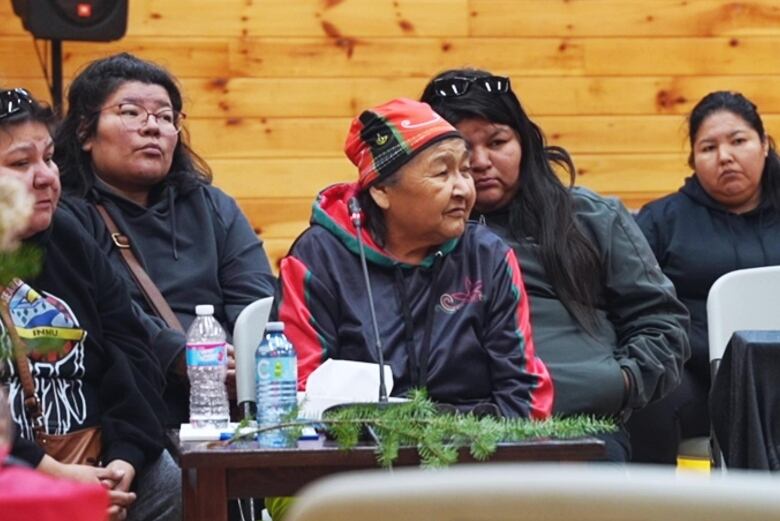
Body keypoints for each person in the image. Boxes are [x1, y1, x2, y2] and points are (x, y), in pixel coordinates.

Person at [421, 69, 690, 462]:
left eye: (498, 141)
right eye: (461, 148)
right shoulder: (412, 235)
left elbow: (661, 322)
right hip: (452, 432)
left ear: (524, 143)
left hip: (581, 424)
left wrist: (622, 382)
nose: (480, 162)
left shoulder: (592, 217)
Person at [279, 97, 553, 419]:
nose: (463, 189)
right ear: (381, 190)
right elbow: (297, 391)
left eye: (464, 171)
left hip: (475, 452)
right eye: (441, 173)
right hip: (356, 452)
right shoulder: (320, 258)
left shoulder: (487, 257)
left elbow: (524, 392)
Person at [53, 53, 277, 425]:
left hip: (230, 400)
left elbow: (255, 295)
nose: (152, 127)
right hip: (129, 409)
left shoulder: (212, 206)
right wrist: (183, 356)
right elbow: (107, 312)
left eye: (165, 116)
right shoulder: (67, 216)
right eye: (130, 112)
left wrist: (247, 359)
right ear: (84, 131)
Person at [0, 88, 180, 520]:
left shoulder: (68, 235)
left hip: (95, 455)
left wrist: (125, 458)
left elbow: (130, 349)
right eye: (21, 164)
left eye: (49, 157)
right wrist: (51, 473)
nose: (46, 176)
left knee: (168, 481)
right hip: (17, 467)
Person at [626, 91, 780, 463]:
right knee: (651, 398)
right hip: (700, 377)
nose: (724, 156)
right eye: (708, 147)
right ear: (693, 160)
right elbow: (630, 299)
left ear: (763, 145)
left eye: (738, 141)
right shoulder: (662, 221)